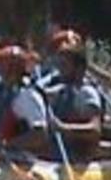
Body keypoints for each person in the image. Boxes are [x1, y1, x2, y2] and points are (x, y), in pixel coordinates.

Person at [42, 33, 102, 162]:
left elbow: (94, 129)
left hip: (76, 158)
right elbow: (42, 93)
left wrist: (63, 128)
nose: (60, 69)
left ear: (79, 68)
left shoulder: (87, 94)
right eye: (60, 64)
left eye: (65, 65)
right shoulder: (61, 90)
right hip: (56, 156)